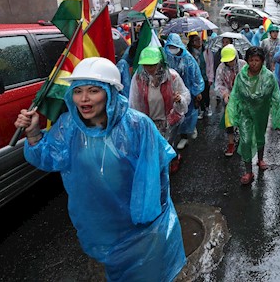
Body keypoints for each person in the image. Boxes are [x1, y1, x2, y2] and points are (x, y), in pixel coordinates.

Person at [14, 57, 186, 280]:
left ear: (110, 93)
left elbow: (155, 180)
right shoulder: (69, 126)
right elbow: (48, 158)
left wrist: (147, 225)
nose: (84, 98)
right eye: (78, 91)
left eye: (93, 90)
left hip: (140, 227)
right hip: (102, 227)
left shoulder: (137, 126)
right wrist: (34, 133)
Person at [227, 46, 280, 185]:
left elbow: (276, 97)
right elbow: (235, 95)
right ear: (247, 61)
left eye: (257, 60)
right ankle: (248, 171)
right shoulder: (242, 76)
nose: (254, 63)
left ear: (262, 61)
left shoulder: (269, 77)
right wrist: (232, 114)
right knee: (245, 140)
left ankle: (260, 159)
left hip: (261, 112)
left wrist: (277, 118)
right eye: (251, 60)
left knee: (260, 136)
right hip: (245, 112)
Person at [129, 46, 191, 173]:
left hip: (169, 120)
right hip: (149, 121)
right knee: (154, 149)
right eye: (146, 65)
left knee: (166, 146)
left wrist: (179, 100)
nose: (149, 68)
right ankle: (161, 173)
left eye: (152, 65)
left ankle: (172, 162)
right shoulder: (139, 78)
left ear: (160, 63)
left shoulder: (172, 76)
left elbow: (185, 95)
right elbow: (134, 101)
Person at [164, 34, 205, 149]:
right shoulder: (166, 56)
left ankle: (187, 133)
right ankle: (182, 134)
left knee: (188, 113)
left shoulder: (188, 58)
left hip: (188, 90)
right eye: (170, 46)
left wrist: (197, 91)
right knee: (177, 113)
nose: (173, 49)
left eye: (174, 46)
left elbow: (196, 75)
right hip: (173, 90)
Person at [215, 44, 247, 156]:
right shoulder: (221, 68)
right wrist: (225, 94)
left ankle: (243, 141)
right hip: (229, 99)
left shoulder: (243, 65)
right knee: (229, 122)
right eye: (227, 61)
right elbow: (218, 84)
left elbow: (250, 80)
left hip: (242, 98)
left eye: (232, 60)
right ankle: (231, 143)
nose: (230, 63)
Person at [187, 31, 214, 118]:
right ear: (192, 42)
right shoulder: (189, 53)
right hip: (196, 78)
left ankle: (208, 107)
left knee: (206, 94)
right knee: (199, 94)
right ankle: (201, 109)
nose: (199, 42)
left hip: (205, 76)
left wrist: (210, 78)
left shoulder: (206, 51)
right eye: (196, 40)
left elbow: (210, 64)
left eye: (199, 40)